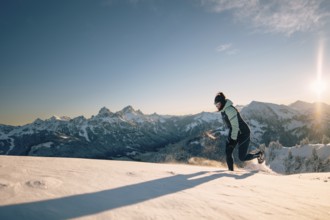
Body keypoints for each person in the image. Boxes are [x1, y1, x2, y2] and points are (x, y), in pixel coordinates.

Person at [214, 92, 264, 171]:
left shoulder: (229, 110)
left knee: (242, 157)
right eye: (216, 105)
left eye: (218, 104)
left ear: (222, 102)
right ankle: (230, 172)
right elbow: (231, 126)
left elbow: (235, 126)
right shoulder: (223, 110)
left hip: (243, 133)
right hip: (234, 132)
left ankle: (259, 154)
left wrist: (233, 139)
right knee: (228, 152)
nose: (217, 106)